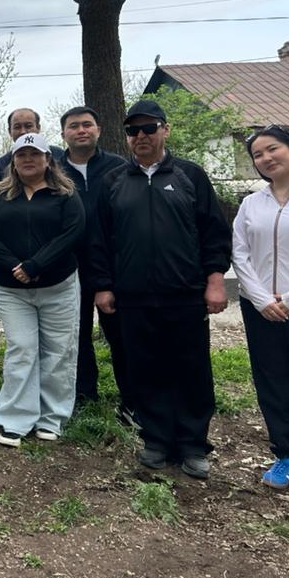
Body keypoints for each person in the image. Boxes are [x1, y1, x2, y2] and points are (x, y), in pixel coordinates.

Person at [89, 100, 231, 479]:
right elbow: (100, 239)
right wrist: (102, 286)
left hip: (183, 294)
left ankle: (192, 444)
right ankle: (156, 440)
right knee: (144, 370)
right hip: (132, 297)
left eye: (149, 128)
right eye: (133, 131)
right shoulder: (114, 181)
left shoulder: (190, 176)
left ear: (165, 130)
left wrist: (215, 279)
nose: (141, 136)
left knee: (191, 370)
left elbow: (214, 232)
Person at [0, 132, 84, 447]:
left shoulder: (65, 193)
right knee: (22, 350)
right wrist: (16, 265)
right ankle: (15, 419)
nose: (28, 160)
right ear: (13, 161)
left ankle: (51, 418)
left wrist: (36, 265)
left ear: (47, 159)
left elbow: (73, 231)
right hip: (12, 290)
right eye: (21, 154)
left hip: (58, 286)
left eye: (34, 154)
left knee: (59, 351)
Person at [232, 125, 289, 498]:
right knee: (272, 382)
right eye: (257, 155)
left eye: (272, 149)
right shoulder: (252, 203)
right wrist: (261, 298)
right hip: (261, 308)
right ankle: (284, 454)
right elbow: (241, 254)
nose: (266, 158)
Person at [57, 106, 130, 416]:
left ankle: (131, 399)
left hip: (112, 266)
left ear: (98, 130)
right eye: (74, 126)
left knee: (120, 335)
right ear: (63, 134)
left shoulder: (119, 168)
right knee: (76, 335)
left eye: (87, 124)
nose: (81, 130)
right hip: (68, 266)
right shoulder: (54, 170)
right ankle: (84, 393)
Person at [0, 108, 65, 181]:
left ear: (38, 128)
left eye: (28, 126)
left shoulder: (59, 155)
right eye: (17, 127)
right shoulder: (2, 164)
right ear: (10, 131)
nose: (23, 132)